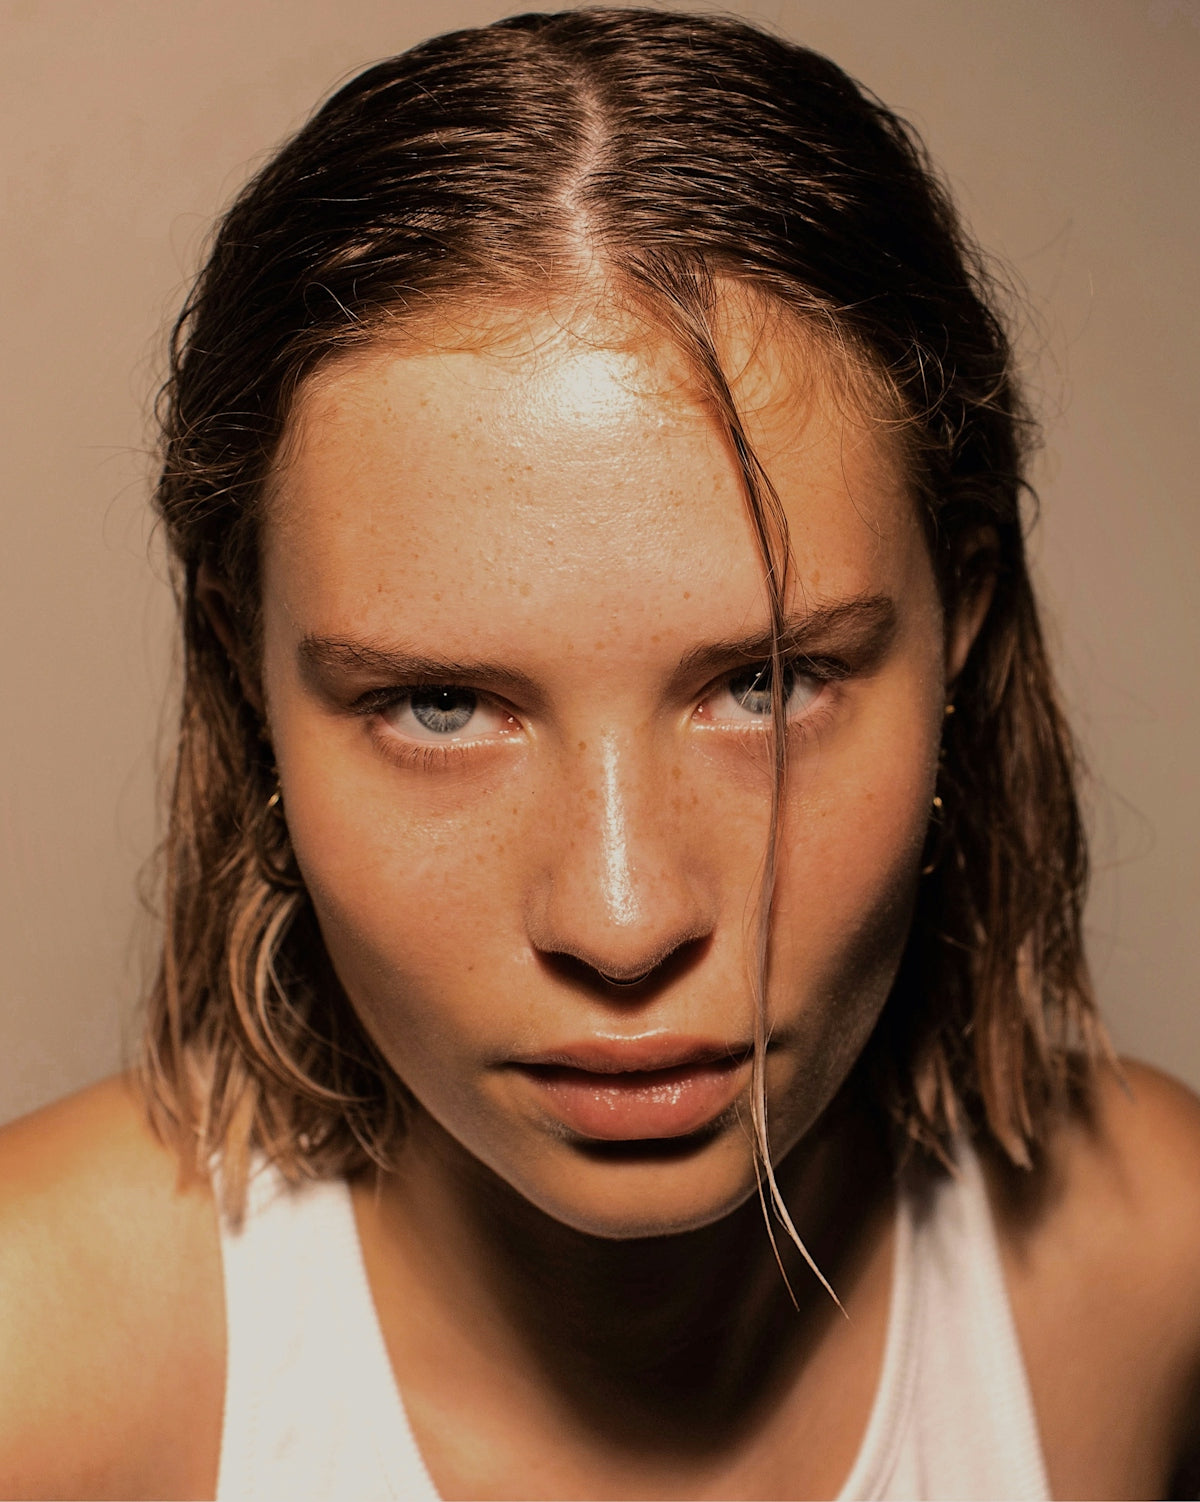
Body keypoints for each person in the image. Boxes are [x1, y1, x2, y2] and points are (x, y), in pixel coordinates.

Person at [1, 8, 1198, 1499]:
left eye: (769, 682)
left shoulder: (1156, 1274)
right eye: (438, 704)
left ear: (961, 619)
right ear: (247, 668)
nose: (623, 920)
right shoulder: (33, 1365)